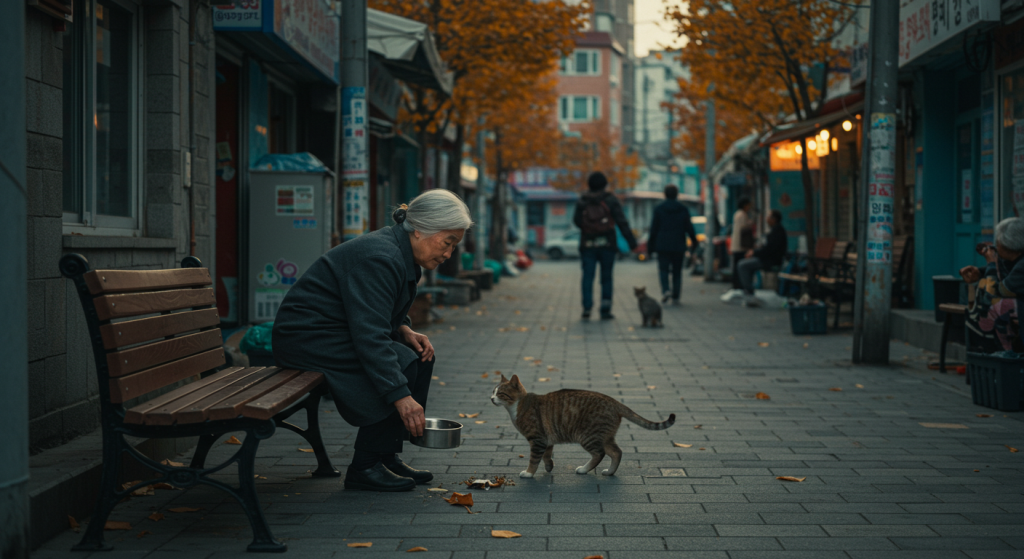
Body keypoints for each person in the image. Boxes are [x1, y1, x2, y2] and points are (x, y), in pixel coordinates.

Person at [272, 190, 473, 492]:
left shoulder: (398, 251)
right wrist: (400, 396)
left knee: (418, 354)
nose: (448, 254)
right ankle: (365, 466)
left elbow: (375, 311)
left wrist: (404, 329)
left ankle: (384, 457)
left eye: (454, 246)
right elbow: (371, 336)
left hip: (333, 331)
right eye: (448, 242)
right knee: (399, 363)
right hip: (307, 339)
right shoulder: (381, 256)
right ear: (420, 230)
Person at [573, 171, 637, 320]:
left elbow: (577, 222)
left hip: (587, 244)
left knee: (587, 277)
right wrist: (632, 243)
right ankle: (605, 309)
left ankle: (587, 308)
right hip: (607, 243)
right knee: (606, 277)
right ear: (604, 184)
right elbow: (621, 222)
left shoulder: (582, 201)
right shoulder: (610, 200)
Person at [960, 217, 1024, 351]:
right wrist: (980, 272)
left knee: (995, 306)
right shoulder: (1016, 257)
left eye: (997, 241)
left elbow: (996, 291)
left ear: (1006, 245)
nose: (995, 245)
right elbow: (1006, 271)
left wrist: (991, 264)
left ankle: (1003, 352)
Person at [647, 184, 699, 304]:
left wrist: (650, 248)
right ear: (677, 195)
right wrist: (694, 242)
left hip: (662, 245)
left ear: (665, 194)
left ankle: (666, 290)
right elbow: (689, 227)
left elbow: (653, 230)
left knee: (663, 270)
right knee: (677, 271)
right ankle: (676, 295)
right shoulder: (683, 209)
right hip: (678, 245)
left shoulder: (659, 209)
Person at [736, 209, 787, 307]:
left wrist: (754, 252)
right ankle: (750, 290)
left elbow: (769, 250)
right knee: (746, 264)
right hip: (768, 259)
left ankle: (749, 291)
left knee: (742, 265)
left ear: (774, 219)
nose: (767, 219)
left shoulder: (777, 232)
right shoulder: (776, 230)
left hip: (770, 261)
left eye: (769, 217)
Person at [730, 198, 755, 290]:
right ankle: (738, 285)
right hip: (741, 246)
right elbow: (745, 229)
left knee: (737, 266)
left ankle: (737, 285)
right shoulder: (742, 215)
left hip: (737, 245)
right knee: (739, 267)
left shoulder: (738, 214)